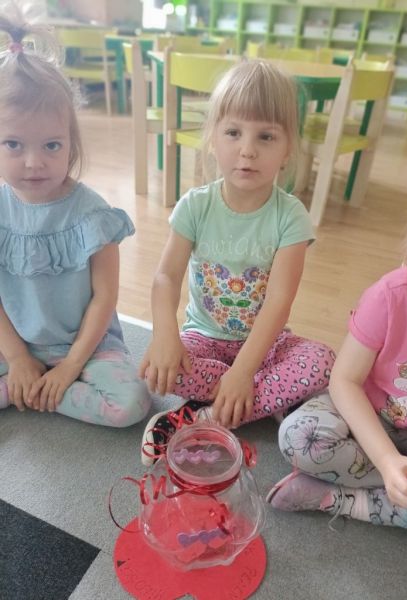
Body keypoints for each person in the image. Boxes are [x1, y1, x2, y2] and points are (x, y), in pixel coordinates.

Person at [139, 59, 335, 465]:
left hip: (266, 344)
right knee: (160, 366)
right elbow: (165, 278)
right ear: (213, 139)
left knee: (323, 362)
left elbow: (279, 302)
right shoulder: (195, 205)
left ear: (287, 150)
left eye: (266, 136)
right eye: (233, 132)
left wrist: (244, 372)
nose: (247, 149)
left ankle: (204, 417)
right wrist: (164, 335)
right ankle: (266, 397)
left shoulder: (291, 216)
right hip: (203, 339)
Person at [268, 149, 407, 551]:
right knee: (300, 437)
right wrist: (386, 462)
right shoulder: (390, 297)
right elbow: (345, 380)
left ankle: (342, 500)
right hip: (368, 417)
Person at [0, 11, 150, 426]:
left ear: (72, 142)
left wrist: (68, 368)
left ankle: (30, 389)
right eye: (13, 144)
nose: (34, 162)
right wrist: (17, 357)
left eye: (51, 145)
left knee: (131, 404)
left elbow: (105, 298)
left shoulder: (93, 215)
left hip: (88, 346)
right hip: (15, 342)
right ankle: (25, 382)